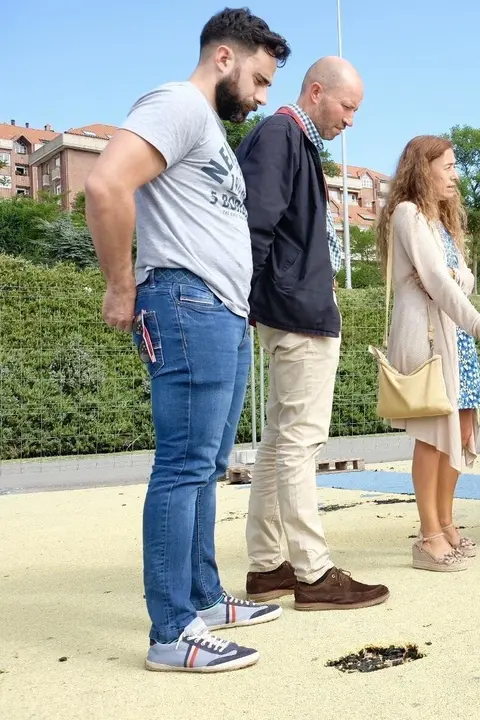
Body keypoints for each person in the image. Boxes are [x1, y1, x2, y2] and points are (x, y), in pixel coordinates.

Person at [84, 9, 290, 672]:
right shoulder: (177, 102)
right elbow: (105, 183)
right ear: (225, 58)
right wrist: (120, 286)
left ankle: (203, 598)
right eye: (259, 81)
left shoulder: (209, 131)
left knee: (205, 466)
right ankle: (172, 632)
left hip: (222, 311)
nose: (262, 98)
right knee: (182, 466)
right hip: (185, 303)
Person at [235, 57, 390, 610]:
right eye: (348, 107)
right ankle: (313, 573)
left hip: (291, 308)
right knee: (299, 444)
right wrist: (242, 300)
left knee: (279, 444)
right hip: (296, 312)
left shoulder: (290, 140)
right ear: (317, 91)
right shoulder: (280, 134)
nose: (351, 120)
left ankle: (267, 567)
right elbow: (253, 226)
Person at [374, 135, 480, 572]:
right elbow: (439, 279)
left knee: (461, 432)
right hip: (432, 338)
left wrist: (453, 278)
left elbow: (461, 280)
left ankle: (445, 525)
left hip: (454, 336)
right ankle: (428, 534)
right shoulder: (409, 213)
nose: (455, 175)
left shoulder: (443, 221)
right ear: (423, 168)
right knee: (433, 436)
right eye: (448, 166)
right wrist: (474, 313)